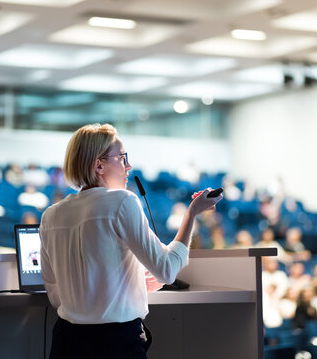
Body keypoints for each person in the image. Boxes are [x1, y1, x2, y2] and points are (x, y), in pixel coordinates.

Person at [40, 123, 222, 359]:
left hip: (67, 342)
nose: (129, 166)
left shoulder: (51, 215)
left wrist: (127, 286)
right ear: (99, 165)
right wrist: (192, 213)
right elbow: (166, 270)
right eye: (122, 158)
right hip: (115, 343)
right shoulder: (122, 202)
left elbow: (55, 292)